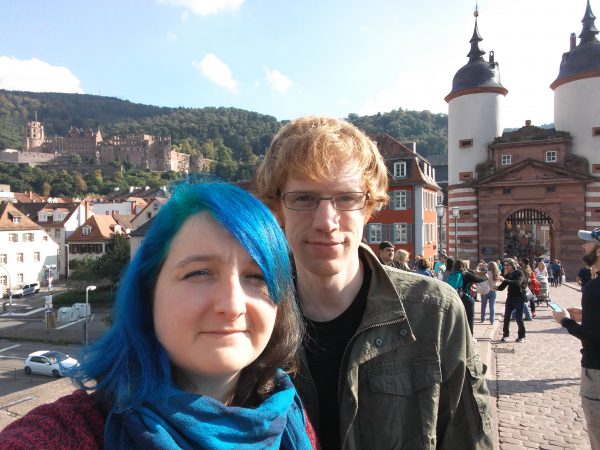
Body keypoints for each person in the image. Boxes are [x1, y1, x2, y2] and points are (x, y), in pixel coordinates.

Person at [0, 182, 317, 449]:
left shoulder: (289, 416)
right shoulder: (65, 434)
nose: (232, 305)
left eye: (257, 277)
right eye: (199, 272)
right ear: (148, 292)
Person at [255, 115, 494, 449]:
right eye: (304, 198)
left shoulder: (435, 312)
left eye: (346, 197)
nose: (326, 222)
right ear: (278, 208)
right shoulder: (251, 316)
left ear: (368, 207)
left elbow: (469, 440)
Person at [553, 229, 600, 450]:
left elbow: (591, 337)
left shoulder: (594, 289)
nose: (583, 246)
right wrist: (587, 314)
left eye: (588, 243)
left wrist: (565, 321)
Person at [448, 259, 487, 335]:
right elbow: (478, 280)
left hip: (456, 298)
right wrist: (486, 278)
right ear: (463, 265)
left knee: (458, 318)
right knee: (469, 319)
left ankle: (458, 336)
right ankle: (470, 336)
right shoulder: (466, 274)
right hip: (466, 298)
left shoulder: (452, 274)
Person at [497, 258, 528, 343]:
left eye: (507, 265)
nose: (505, 266)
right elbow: (502, 287)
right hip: (510, 298)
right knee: (506, 317)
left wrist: (505, 280)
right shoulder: (508, 275)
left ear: (512, 265)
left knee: (518, 318)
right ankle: (506, 335)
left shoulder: (519, 272)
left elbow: (517, 283)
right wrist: (493, 287)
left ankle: (522, 336)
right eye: (505, 265)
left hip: (519, 298)